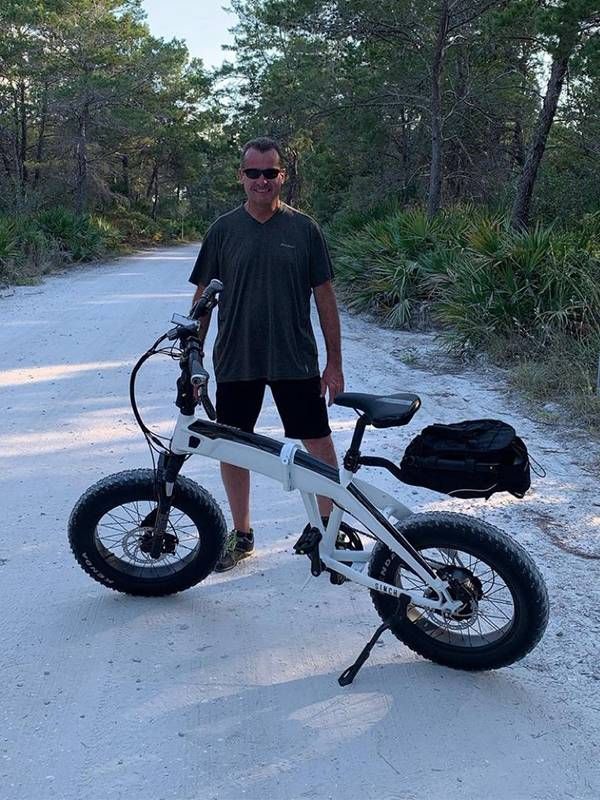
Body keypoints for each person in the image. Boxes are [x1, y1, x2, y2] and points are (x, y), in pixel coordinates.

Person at [189, 136, 344, 571]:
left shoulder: (304, 229)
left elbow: (326, 299)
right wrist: (193, 355)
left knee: (317, 441)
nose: (261, 181)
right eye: (253, 173)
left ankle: (327, 529)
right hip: (237, 359)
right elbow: (203, 299)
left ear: (282, 177)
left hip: (295, 359)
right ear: (241, 176)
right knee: (234, 448)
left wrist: (334, 363)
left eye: (269, 173)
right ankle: (242, 534)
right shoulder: (222, 230)